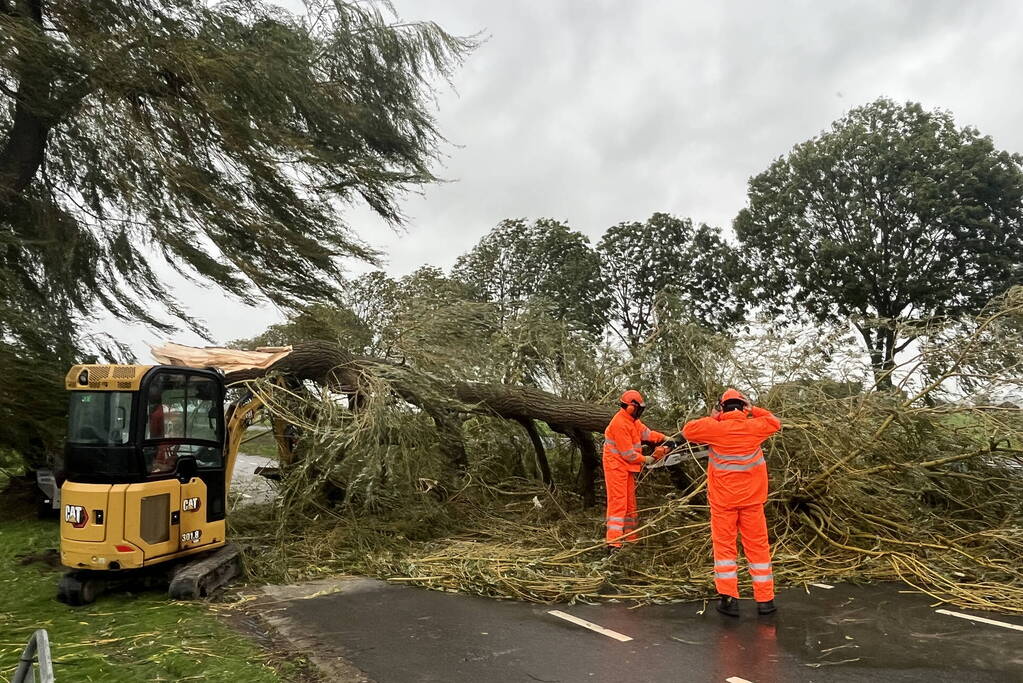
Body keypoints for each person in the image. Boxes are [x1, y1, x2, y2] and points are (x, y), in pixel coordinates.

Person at [682, 389, 781, 616]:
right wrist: (752, 409)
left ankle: (729, 600)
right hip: (752, 501)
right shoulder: (755, 427)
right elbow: (774, 421)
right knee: (758, 548)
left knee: (725, 548)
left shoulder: (715, 429)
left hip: (723, 502)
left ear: (722, 407)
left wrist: (714, 416)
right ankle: (765, 600)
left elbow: (688, 430)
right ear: (742, 406)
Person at [602, 390, 678, 551]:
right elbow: (628, 454)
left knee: (630, 504)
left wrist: (664, 438)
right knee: (618, 503)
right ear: (630, 407)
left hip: (626, 467)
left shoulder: (632, 421)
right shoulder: (619, 424)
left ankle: (631, 539)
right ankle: (613, 542)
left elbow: (646, 433)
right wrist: (646, 459)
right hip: (616, 467)